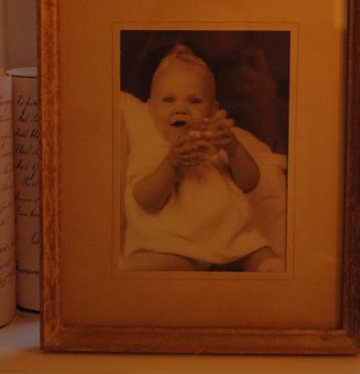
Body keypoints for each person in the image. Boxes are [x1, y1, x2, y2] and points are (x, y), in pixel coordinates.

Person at [120, 44, 284, 272]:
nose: (181, 109)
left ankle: (272, 270)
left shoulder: (216, 144)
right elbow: (145, 200)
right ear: (150, 109)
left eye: (194, 101)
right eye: (168, 100)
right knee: (158, 265)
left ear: (212, 109)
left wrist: (235, 150)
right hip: (177, 244)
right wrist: (172, 164)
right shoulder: (151, 148)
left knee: (259, 252)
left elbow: (249, 182)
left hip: (232, 239)